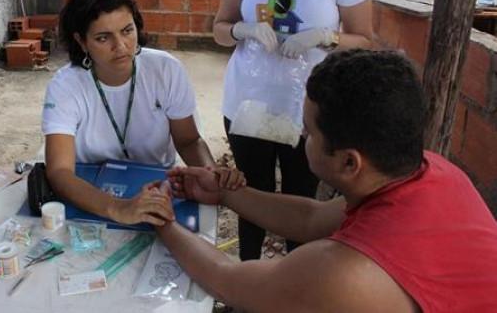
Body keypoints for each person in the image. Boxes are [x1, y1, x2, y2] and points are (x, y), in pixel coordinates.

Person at [158, 49, 497, 313]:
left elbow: (226, 281)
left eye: (308, 131)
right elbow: (313, 218)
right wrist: (226, 195)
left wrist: (162, 219)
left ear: (349, 162)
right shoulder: (434, 171)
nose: (301, 134)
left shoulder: (343, 274)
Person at [212, 0, 373, 259]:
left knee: (302, 204)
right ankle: (246, 282)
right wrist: (243, 31)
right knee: (250, 197)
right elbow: (219, 28)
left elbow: (364, 40)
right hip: (248, 101)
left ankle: (296, 289)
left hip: (308, 110)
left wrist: (325, 37)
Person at [42, 0, 243, 227]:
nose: (121, 46)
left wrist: (211, 173)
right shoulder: (66, 86)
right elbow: (60, 172)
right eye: (103, 38)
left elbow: (188, 140)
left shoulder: (165, 70)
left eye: (127, 31)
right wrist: (118, 208)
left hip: (158, 186)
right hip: (90, 190)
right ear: (81, 41)